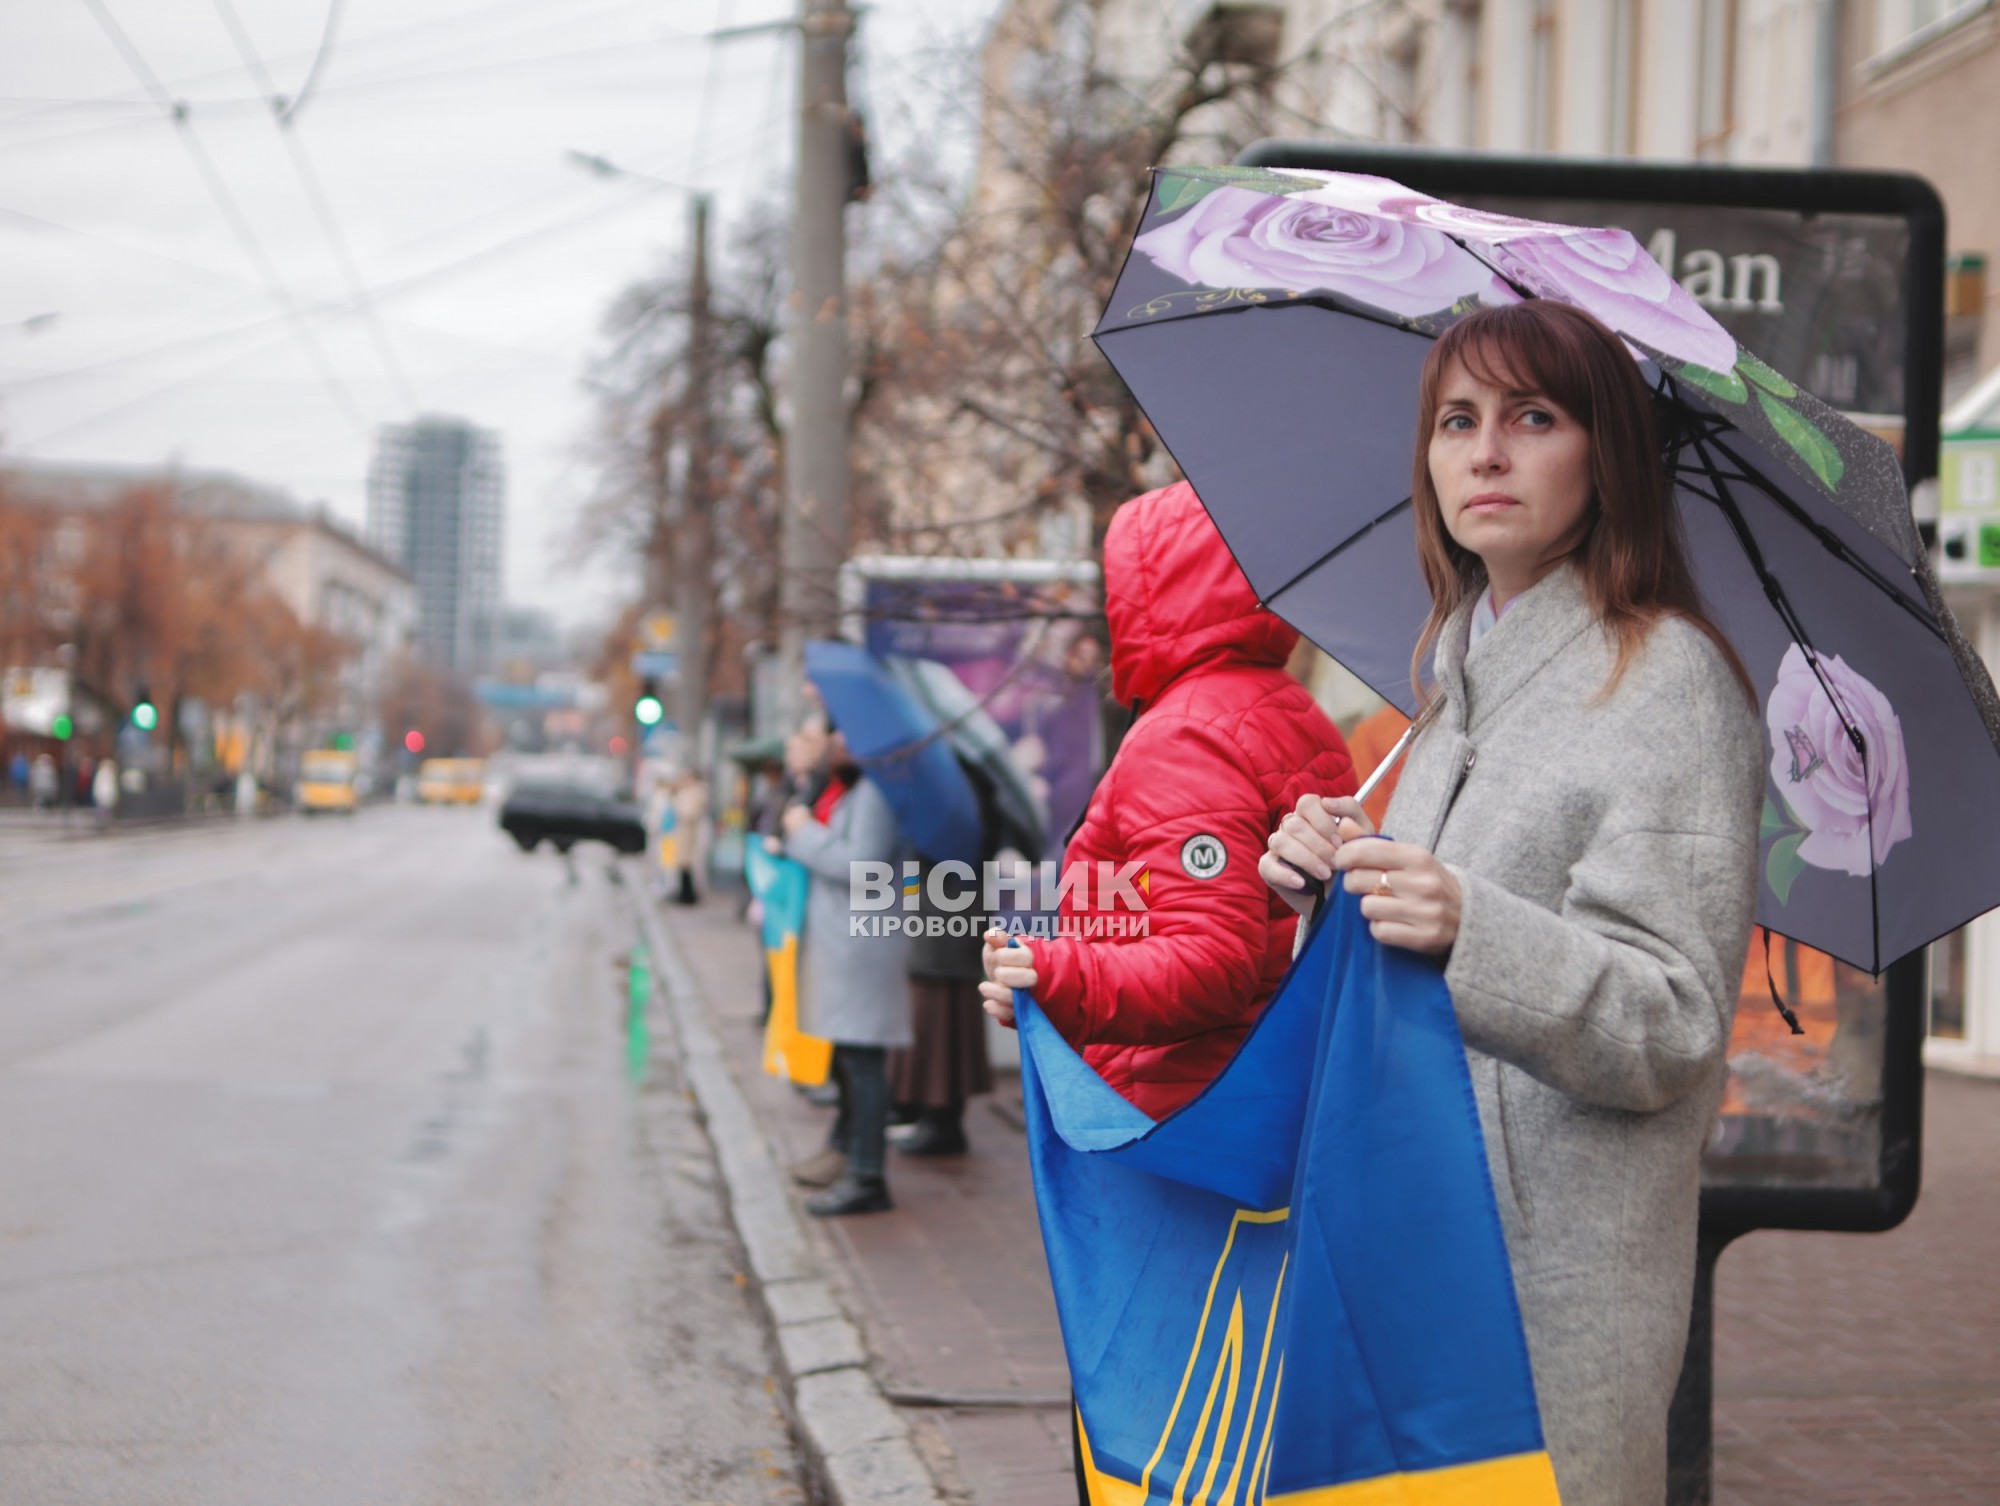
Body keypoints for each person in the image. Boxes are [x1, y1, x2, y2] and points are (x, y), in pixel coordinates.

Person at [1260, 301, 1763, 1506]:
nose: (1483, 454)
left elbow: (1671, 1022)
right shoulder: (1453, 680)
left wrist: (1462, 926)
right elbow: (1413, 959)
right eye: (1455, 421)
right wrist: (1331, 886)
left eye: (1532, 418)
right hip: (1406, 1237)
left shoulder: (1667, 680)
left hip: (1546, 1285)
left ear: (1605, 454)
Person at [978, 479, 1356, 1120]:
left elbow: (1211, 965)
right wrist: (1054, 988)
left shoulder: (1186, 734)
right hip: (1264, 1082)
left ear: (1151, 589)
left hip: (1179, 1104)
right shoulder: (1286, 707)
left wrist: (1054, 974)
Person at [783, 726, 912, 1216]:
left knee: (862, 1062)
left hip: (863, 945)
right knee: (850, 1058)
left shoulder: (877, 791)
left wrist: (803, 833)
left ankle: (866, 1173)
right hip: (849, 942)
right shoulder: (862, 787)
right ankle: (848, 1155)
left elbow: (864, 865)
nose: (835, 739)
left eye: (841, 732)